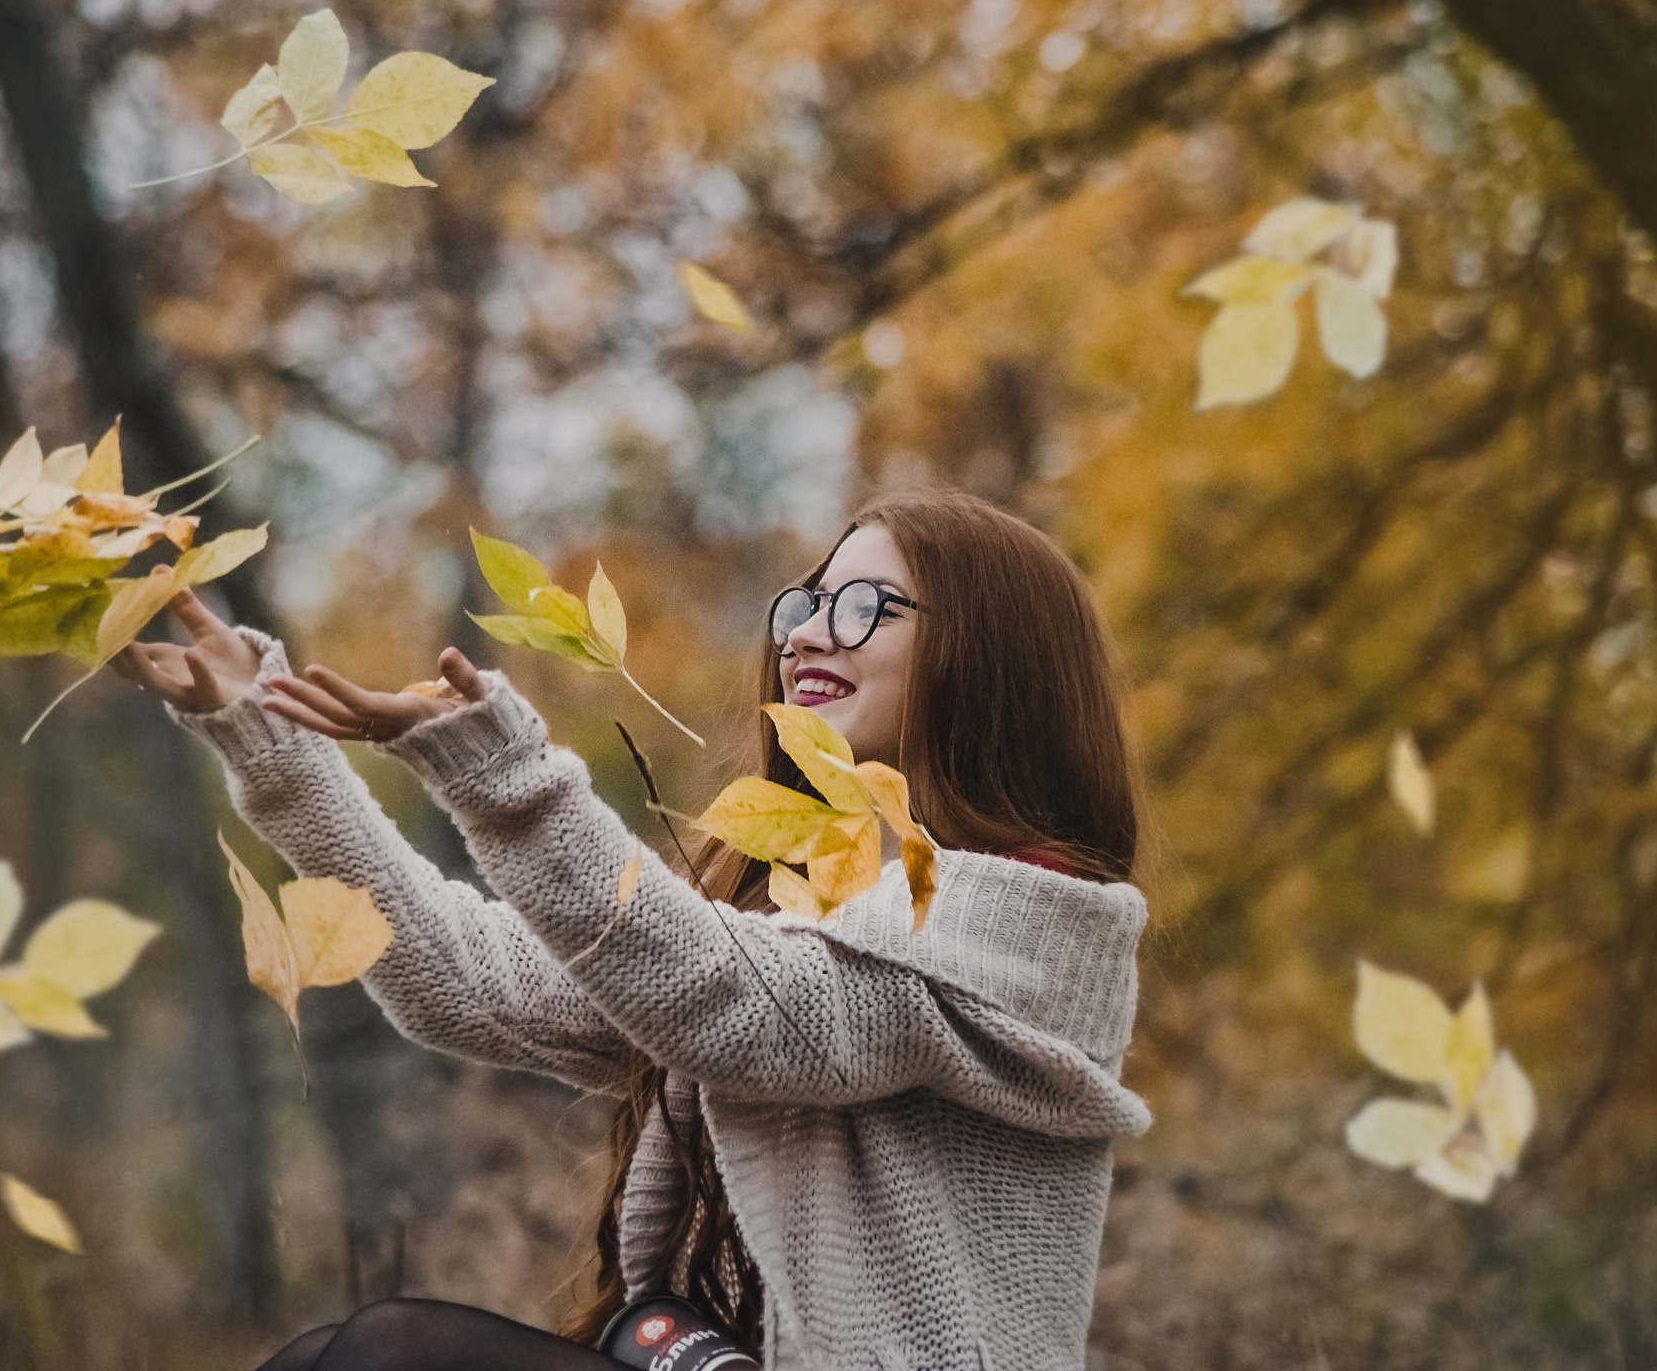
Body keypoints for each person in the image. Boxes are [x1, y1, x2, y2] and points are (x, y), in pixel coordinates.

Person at [114, 489, 1153, 1371]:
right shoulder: (804, 907)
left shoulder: (1037, 916)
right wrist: (272, 745)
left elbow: (739, 1012)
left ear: (991, 654)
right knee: (329, 1355)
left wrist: (504, 774)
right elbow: (469, 983)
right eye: (805, 602)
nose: (806, 633)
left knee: (390, 1352)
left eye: (865, 606)